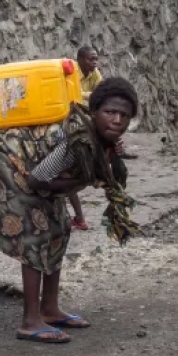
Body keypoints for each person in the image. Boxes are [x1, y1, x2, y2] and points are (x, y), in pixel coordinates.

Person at [0, 78, 141, 343]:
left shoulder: (99, 141)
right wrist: (84, 180)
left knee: (60, 224)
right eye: (110, 112)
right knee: (37, 232)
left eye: (124, 116)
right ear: (93, 113)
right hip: (5, 160)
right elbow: (38, 180)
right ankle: (30, 321)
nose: (117, 120)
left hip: (28, 165)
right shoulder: (76, 142)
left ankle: (49, 309)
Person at [66, 46, 105, 231]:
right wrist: (89, 97)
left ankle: (78, 218)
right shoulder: (70, 71)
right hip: (70, 118)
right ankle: (79, 218)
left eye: (96, 59)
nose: (95, 63)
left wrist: (85, 97)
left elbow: (102, 93)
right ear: (80, 59)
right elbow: (70, 97)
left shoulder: (94, 73)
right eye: (91, 59)